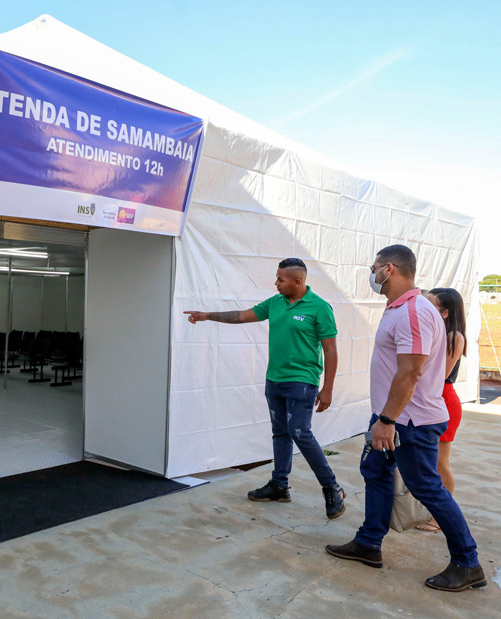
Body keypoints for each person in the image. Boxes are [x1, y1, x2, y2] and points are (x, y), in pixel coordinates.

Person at [326, 245, 485, 592]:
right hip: (393, 417)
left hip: (406, 421)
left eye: (374, 267)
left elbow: (411, 372)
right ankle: (369, 543)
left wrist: (386, 420)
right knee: (376, 472)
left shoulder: (413, 311)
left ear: (390, 269)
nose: (372, 273)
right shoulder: (400, 308)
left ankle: (467, 563)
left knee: (427, 487)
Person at [183, 258, 346, 519]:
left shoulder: (319, 308)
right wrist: (207, 316)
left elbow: (331, 350)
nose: (276, 283)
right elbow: (241, 316)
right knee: (280, 433)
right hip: (275, 380)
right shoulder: (276, 303)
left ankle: (332, 487)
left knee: (300, 433)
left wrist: (328, 388)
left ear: (298, 281)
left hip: (303, 381)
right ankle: (279, 486)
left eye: (281, 279)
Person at [415, 287, 467, 533]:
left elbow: (440, 375)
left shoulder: (454, 336)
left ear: (445, 312)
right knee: (430, 461)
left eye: (432, 305)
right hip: (435, 397)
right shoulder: (441, 331)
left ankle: (442, 518)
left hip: (443, 398)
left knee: (440, 463)